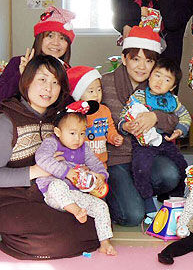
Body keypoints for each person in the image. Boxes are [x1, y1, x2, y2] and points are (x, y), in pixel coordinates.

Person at [0, 55, 99, 259]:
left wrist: (81, 170)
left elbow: (73, 157)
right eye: (42, 79)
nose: (48, 88)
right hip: (10, 197)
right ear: (27, 80)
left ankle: (22, 237)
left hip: (48, 194)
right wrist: (35, 171)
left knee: (93, 225)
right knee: (57, 239)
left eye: (55, 82)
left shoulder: (58, 119)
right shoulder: (7, 119)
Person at [101, 25, 181, 226]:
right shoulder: (104, 83)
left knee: (171, 175)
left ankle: (134, 192)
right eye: (135, 59)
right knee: (133, 217)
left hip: (147, 155)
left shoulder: (157, 86)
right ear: (124, 58)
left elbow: (174, 119)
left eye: (149, 61)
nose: (142, 67)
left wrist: (155, 117)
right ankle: (119, 196)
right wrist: (123, 126)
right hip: (115, 158)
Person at [35, 100, 116, 256]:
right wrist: (67, 172)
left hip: (74, 194)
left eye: (82, 133)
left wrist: (101, 176)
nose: (78, 138)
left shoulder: (84, 148)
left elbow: (96, 164)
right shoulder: (52, 142)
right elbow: (42, 158)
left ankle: (105, 243)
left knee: (101, 206)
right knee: (57, 185)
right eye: (72, 133)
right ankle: (76, 211)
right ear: (58, 132)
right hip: (53, 194)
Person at [119, 57, 190, 221]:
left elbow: (185, 117)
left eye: (167, 80)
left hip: (165, 141)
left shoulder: (173, 101)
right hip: (143, 143)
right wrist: (125, 125)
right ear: (150, 76)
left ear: (172, 87)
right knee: (141, 168)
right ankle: (147, 201)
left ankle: (176, 197)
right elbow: (124, 114)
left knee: (182, 164)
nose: (159, 82)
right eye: (157, 75)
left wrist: (180, 131)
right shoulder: (139, 96)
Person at [0, 5, 75, 102]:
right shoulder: (18, 63)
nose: (56, 43)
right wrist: (22, 74)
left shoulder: (68, 71)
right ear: (39, 39)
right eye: (50, 36)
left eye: (62, 38)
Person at [67, 66, 123, 166]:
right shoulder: (75, 113)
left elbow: (109, 128)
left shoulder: (104, 110)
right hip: (80, 164)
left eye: (99, 90)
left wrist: (114, 137)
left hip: (101, 162)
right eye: (91, 91)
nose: (96, 95)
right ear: (79, 94)